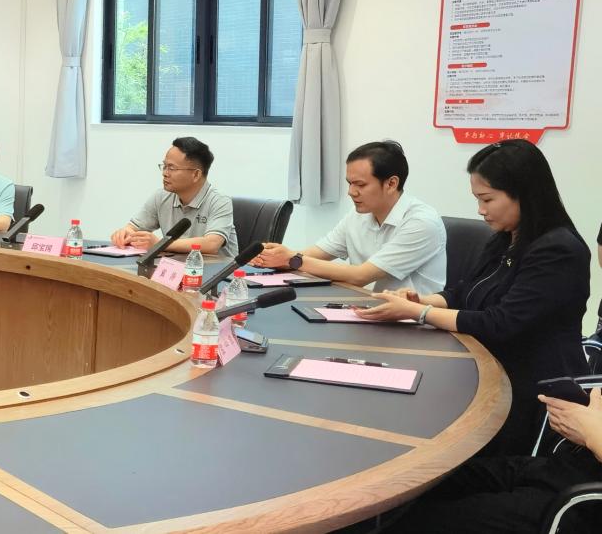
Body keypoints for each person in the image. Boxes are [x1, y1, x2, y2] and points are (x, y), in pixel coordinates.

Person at [356, 139, 589, 456]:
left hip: (532, 394)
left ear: (524, 193)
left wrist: (418, 313)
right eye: (477, 199)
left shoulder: (558, 250)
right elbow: (465, 292)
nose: (480, 210)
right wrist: (421, 301)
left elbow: (501, 323)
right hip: (488, 371)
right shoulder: (506, 238)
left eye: (487, 199)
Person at [384, 384, 602, 532]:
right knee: (428, 477)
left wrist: (590, 431)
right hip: (563, 465)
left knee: (418, 521)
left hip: (581, 501)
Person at [251, 140, 447, 294]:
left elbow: (360, 276)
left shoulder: (421, 223)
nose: (351, 192)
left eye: (360, 185)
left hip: (411, 323)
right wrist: (275, 257)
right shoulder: (359, 214)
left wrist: (293, 259)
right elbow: (316, 253)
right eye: (349, 183)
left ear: (391, 184)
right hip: (362, 308)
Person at [109, 137, 236, 256]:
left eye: (172, 168)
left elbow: (212, 244)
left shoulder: (219, 201)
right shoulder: (161, 197)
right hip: (175, 267)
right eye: (164, 166)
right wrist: (125, 233)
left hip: (215, 269)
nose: (165, 173)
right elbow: (133, 228)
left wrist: (160, 245)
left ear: (196, 175)